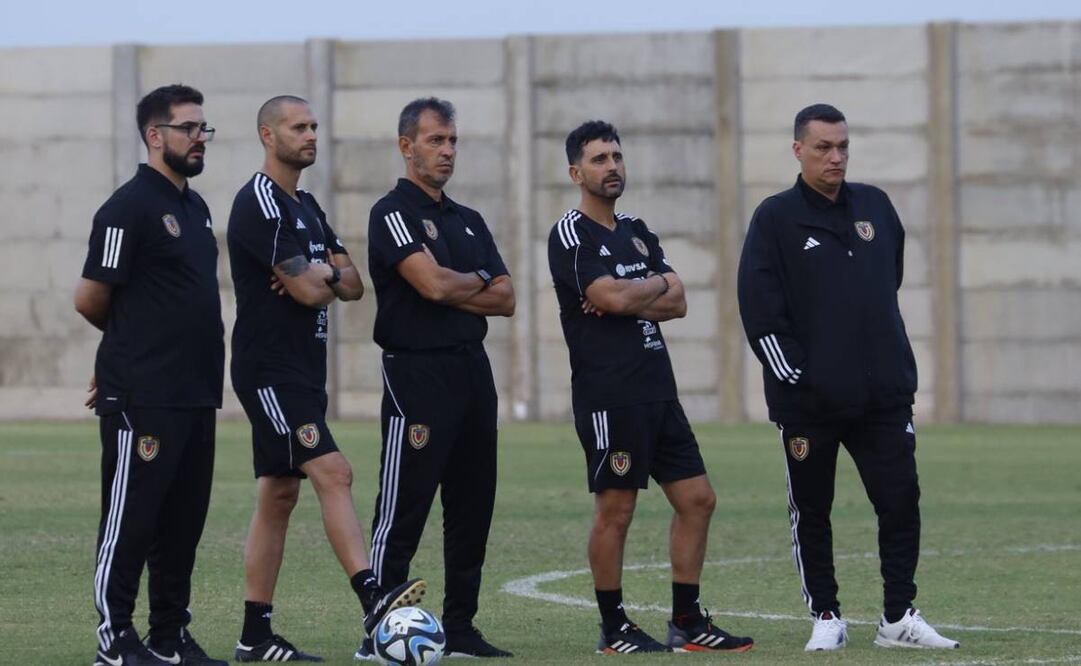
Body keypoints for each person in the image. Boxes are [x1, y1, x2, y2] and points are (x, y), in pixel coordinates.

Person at [737, 103, 960, 651]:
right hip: (809, 404)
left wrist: (884, 362)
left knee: (901, 499)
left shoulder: (876, 207)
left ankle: (898, 618)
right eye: (823, 148)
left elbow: (889, 281)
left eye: (842, 147)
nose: (835, 157)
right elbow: (759, 311)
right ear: (798, 150)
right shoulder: (775, 218)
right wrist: (800, 379)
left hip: (883, 397)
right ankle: (827, 617)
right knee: (813, 510)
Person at [227, 95, 425, 663]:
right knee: (333, 471)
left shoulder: (307, 205)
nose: (311, 134)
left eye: (314, 125)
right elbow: (314, 289)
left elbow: (352, 282)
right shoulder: (259, 202)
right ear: (268, 135)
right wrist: (319, 276)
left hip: (304, 370)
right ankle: (373, 597)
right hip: (270, 371)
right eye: (299, 127)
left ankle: (254, 636)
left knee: (279, 494)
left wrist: (320, 272)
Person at [546, 120, 755, 655]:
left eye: (616, 156)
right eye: (598, 159)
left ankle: (686, 620)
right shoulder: (571, 233)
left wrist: (637, 288)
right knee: (616, 511)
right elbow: (608, 299)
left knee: (699, 500)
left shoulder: (637, 229)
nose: (612, 166)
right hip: (610, 395)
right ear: (576, 172)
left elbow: (677, 301)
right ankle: (613, 628)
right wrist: (641, 290)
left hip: (658, 389)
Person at [74, 84, 228, 666]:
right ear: (154, 135)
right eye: (188, 128)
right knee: (132, 519)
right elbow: (91, 298)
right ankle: (114, 640)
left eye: (204, 128)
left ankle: (169, 637)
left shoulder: (197, 207)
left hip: (195, 391)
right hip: (142, 392)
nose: (199, 138)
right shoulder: (126, 208)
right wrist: (125, 348)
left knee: (182, 524)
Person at [356, 97, 515, 660]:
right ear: (407, 146)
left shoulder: (467, 220)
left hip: (472, 372)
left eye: (452, 141)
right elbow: (434, 287)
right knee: (403, 506)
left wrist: (460, 282)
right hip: (416, 373)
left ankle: (462, 627)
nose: (447, 152)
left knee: (472, 507)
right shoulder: (391, 212)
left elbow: (508, 298)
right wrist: (471, 282)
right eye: (435, 141)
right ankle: (376, 627)